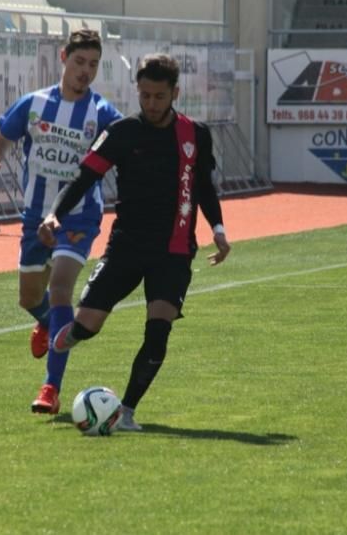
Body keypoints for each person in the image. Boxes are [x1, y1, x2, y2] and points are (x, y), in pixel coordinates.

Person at [39, 53, 231, 432]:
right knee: (89, 326)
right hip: (126, 246)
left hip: (174, 249)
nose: (151, 104)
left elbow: (204, 188)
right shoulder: (122, 132)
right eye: (144, 95)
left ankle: (126, 412)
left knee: (158, 329)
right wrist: (55, 213)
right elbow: (83, 178)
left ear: (174, 92)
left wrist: (219, 229)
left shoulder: (196, 135)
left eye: (159, 96)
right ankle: (64, 336)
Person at [0, 29, 122, 415]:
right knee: (29, 298)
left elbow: (129, 147)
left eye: (93, 65)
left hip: (80, 216)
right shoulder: (35, 103)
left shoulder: (103, 113)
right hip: (34, 216)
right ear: (64, 57)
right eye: (79, 62)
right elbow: (1, 138)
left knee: (60, 289)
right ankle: (47, 323)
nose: (85, 71)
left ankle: (50, 388)